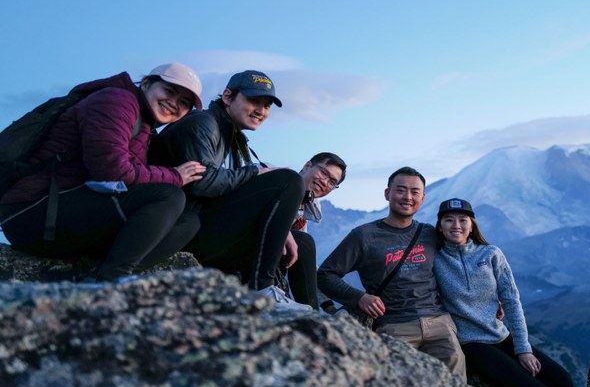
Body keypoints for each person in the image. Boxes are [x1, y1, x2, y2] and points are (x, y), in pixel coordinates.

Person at [0, 62, 206, 280]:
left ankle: (94, 274)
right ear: (145, 83)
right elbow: (112, 170)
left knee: (188, 222)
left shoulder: (143, 124)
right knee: (168, 195)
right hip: (34, 212)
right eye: (170, 91)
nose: (174, 103)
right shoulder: (117, 100)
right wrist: (174, 176)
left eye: (184, 102)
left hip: (68, 209)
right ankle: (113, 278)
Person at [148, 70, 304, 293]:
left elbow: (232, 187)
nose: (261, 111)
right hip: (180, 229)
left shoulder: (229, 134)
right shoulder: (202, 123)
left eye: (267, 105)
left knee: (301, 244)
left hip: (201, 224)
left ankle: (311, 315)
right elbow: (202, 183)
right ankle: (262, 288)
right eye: (253, 101)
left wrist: (282, 223)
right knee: (288, 180)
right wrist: (255, 172)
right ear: (228, 97)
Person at [433, 198, 581, 387]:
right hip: (472, 345)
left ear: (472, 225)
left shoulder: (490, 254)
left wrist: (523, 348)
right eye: (449, 220)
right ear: (440, 225)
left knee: (563, 381)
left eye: (463, 220)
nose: (456, 225)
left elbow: (511, 301)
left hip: (501, 336)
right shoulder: (435, 258)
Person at [317, 167, 466, 381]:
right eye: (401, 190)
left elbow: (463, 261)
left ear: (423, 198)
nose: (408, 197)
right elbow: (325, 275)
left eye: (415, 192)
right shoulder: (364, 236)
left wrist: (488, 299)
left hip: (439, 323)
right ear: (388, 194)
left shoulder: (430, 234)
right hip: (394, 326)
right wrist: (360, 297)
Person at [279, 152, 347, 310]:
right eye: (324, 173)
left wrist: (328, 305)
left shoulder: (304, 209)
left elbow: (306, 262)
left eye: (332, 182)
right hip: (241, 252)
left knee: (304, 244)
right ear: (307, 166)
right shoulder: (277, 178)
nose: (325, 182)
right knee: (304, 242)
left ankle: (312, 314)